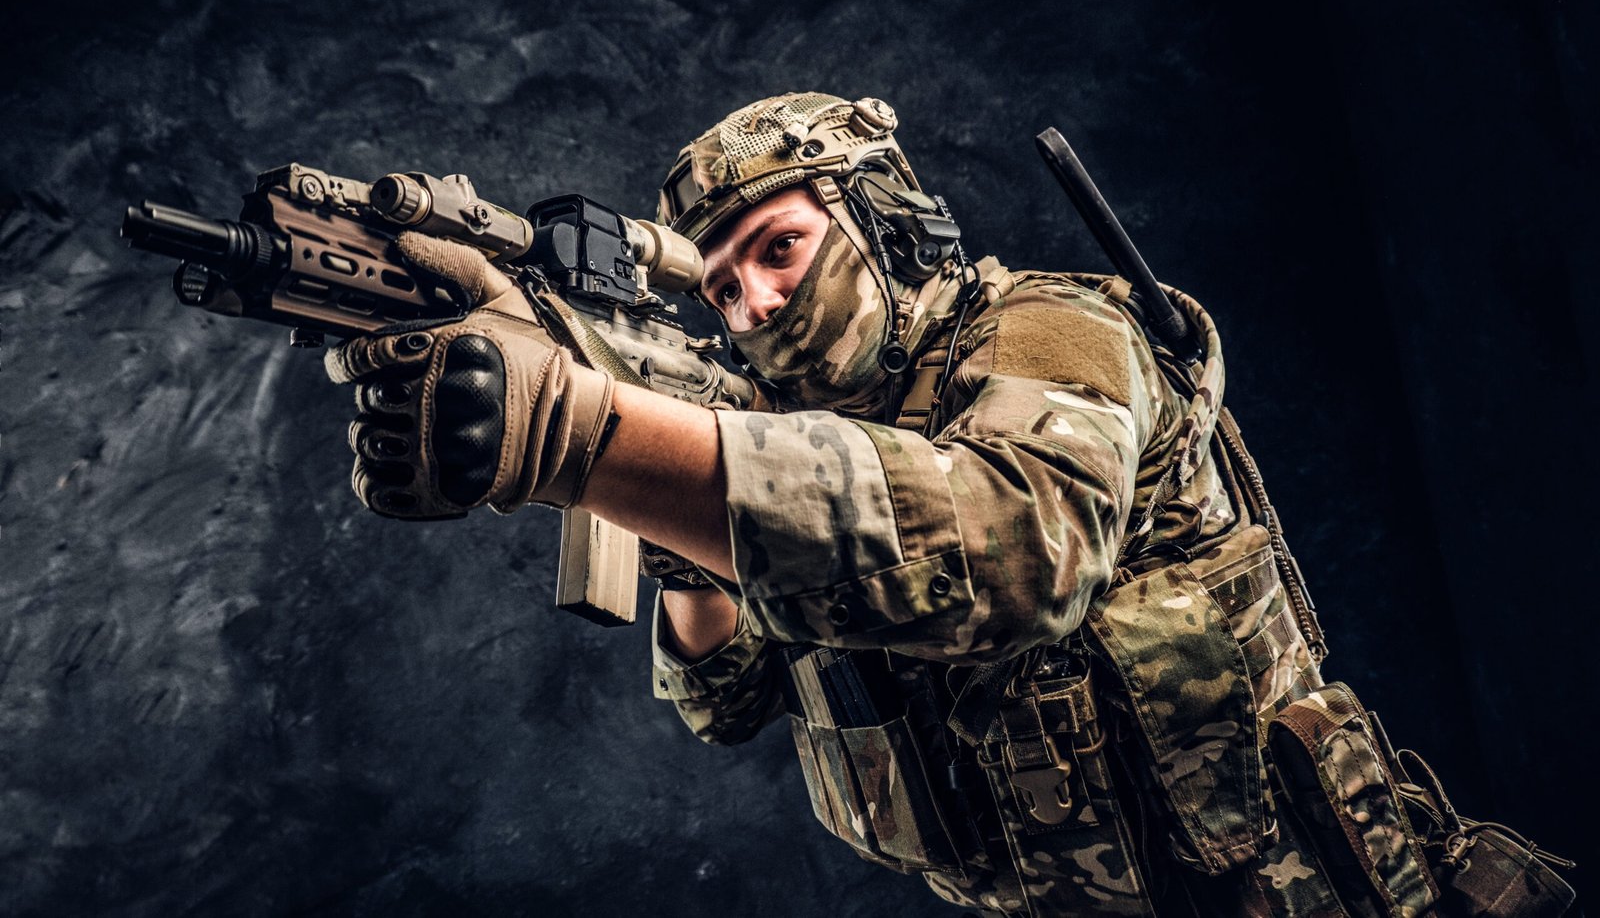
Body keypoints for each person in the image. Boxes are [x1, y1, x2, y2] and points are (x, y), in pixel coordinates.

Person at [324, 93, 1576, 917]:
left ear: (881, 223)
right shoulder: (781, 435)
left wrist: (586, 430)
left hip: (1290, 888)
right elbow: (725, 703)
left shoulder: (1053, 329)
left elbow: (1020, 547)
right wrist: (673, 531)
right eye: (718, 286)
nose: (751, 303)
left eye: (781, 246)